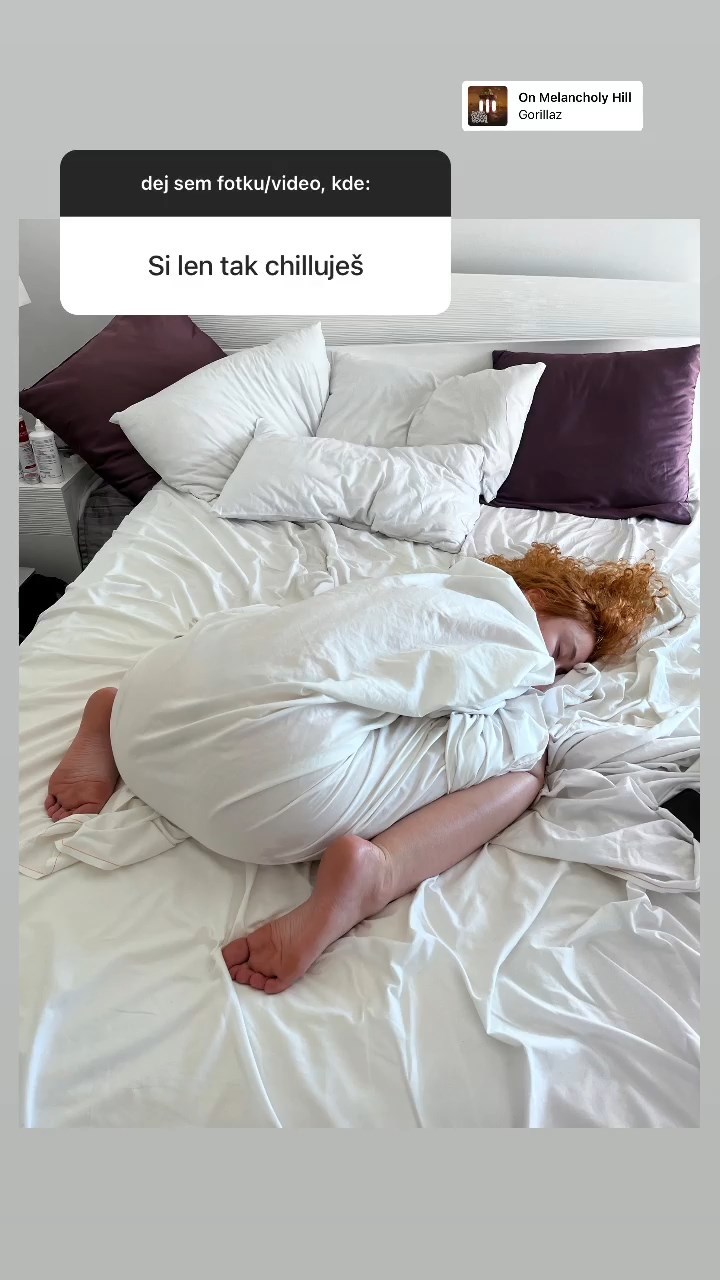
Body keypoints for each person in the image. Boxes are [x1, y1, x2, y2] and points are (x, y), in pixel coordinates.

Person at [43, 544, 664, 995]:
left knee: (274, 651)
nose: (553, 673)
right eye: (561, 652)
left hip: (153, 702)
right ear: (537, 598)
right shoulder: (506, 626)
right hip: (260, 795)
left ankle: (110, 711)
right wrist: (534, 709)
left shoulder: (419, 583)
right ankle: (380, 872)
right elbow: (489, 709)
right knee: (524, 766)